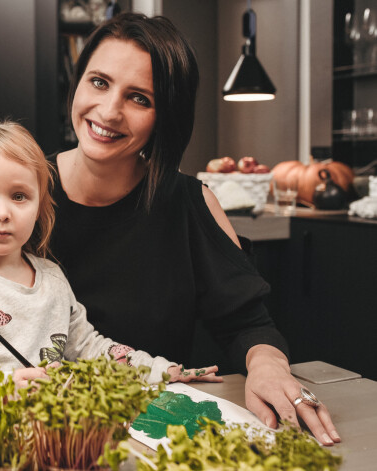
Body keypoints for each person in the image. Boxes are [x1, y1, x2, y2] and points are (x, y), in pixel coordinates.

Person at [45, 11, 341, 446]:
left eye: (140, 98)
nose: (108, 111)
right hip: (41, 437)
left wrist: (267, 366)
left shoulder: (189, 202)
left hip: (153, 442)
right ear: (78, 82)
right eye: (99, 82)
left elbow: (248, 324)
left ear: (166, 115)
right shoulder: (19, 192)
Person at [0, 119, 220, 387]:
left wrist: (162, 370)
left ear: (39, 206)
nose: (2, 212)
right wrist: (8, 386)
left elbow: (90, 349)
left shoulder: (51, 276)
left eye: (19, 196)